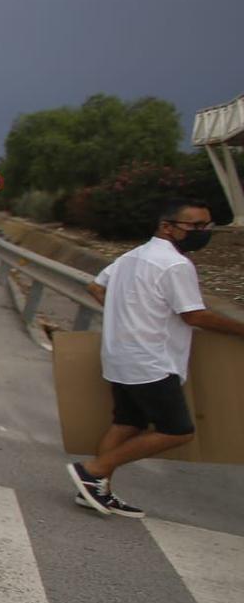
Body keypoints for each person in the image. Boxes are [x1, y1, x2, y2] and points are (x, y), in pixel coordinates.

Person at [68, 198, 243, 517]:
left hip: (120, 354)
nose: (204, 232)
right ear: (168, 227)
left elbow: (95, 287)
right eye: (196, 226)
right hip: (152, 360)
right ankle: (93, 471)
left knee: (127, 422)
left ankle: (98, 488)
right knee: (177, 430)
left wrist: (129, 315)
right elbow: (195, 316)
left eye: (208, 226)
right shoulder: (176, 265)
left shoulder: (132, 256)